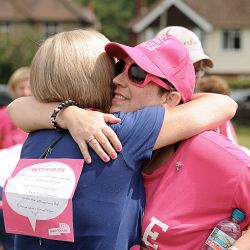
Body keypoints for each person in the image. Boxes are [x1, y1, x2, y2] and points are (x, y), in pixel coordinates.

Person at [7, 30, 237, 249]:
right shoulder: (118, 130)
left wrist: (65, 113)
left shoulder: (36, 134)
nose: (117, 78)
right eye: (117, 67)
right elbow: (224, 104)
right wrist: (178, 95)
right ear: (99, 78)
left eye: (136, 73)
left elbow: (17, 107)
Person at [0, 67, 32, 149]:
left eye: (29, 88)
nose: (26, 92)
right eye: (21, 88)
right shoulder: (3, 115)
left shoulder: (43, 115)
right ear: (14, 90)